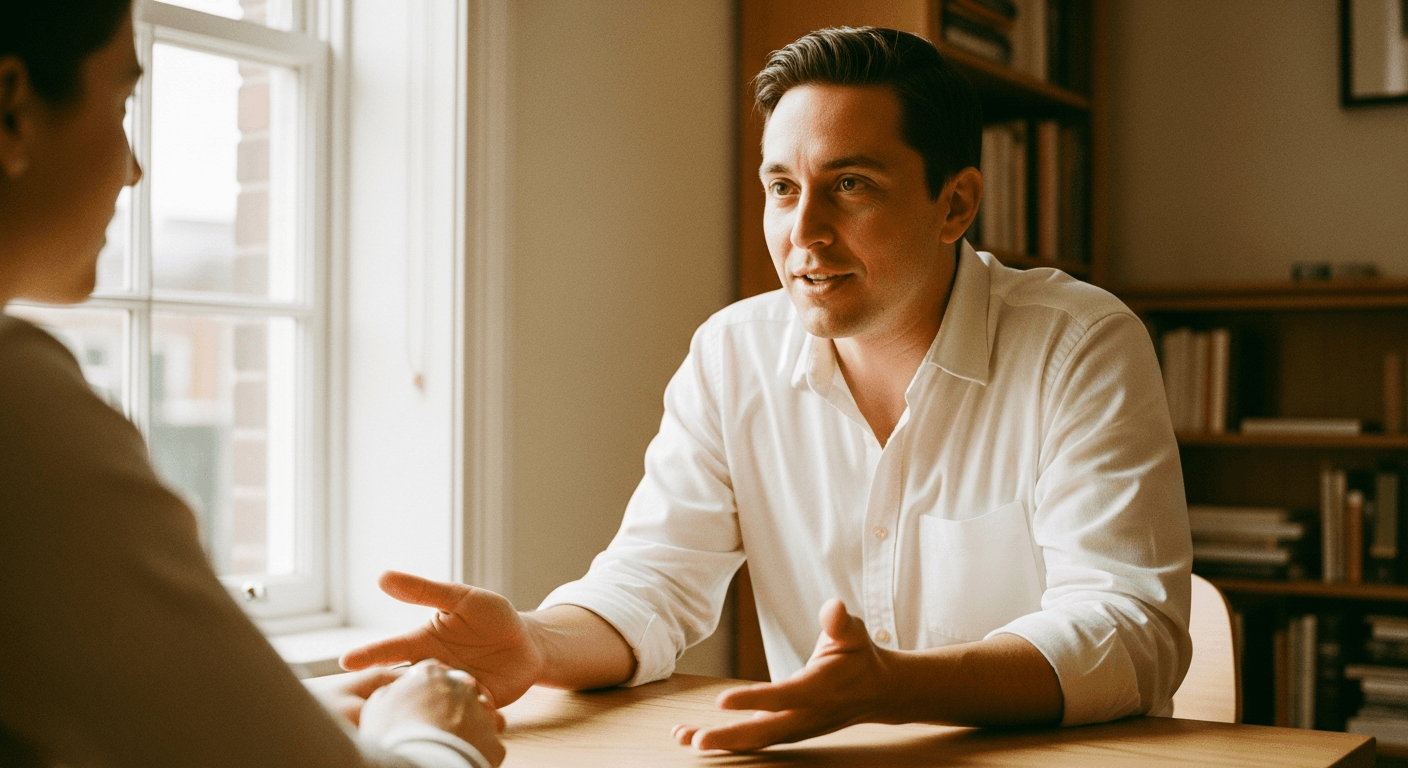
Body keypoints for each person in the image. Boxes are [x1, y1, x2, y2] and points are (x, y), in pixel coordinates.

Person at [342, 26, 1193, 752]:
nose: (803, 233)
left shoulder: (1079, 342)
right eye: (783, 187)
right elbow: (652, 585)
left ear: (956, 203)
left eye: (851, 185)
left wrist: (892, 688)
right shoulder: (731, 354)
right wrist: (533, 642)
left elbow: (1130, 629)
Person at [0, 3, 506, 766]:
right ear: (12, 110)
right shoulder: (20, 407)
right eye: (122, 103)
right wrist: (433, 735)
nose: (134, 168)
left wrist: (276, 720)